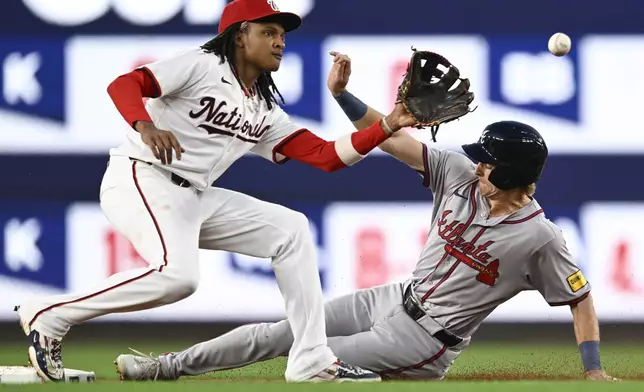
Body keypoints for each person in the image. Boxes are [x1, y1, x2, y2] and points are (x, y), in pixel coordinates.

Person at [112, 51, 618, 382]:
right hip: (394, 298)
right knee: (280, 333)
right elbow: (392, 138)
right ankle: (165, 369)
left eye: (489, 160)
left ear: (513, 172)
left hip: (425, 340)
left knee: (312, 365)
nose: (477, 162)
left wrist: (592, 370)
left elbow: (581, 297)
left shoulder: (539, 237)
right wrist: (341, 95)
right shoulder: (461, 174)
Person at [14, 2, 420, 383]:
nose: (281, 41)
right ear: (242, 35)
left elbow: (325, 156)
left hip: (194, 196)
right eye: (270, 31)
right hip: (141, 176)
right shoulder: (202, 64)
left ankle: (311, 358)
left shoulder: (263, 108)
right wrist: (145, 126)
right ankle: (51, 313)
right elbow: (126, 83)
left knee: (291, 230)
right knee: (179, 278)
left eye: (283, 34)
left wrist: (385, 126)